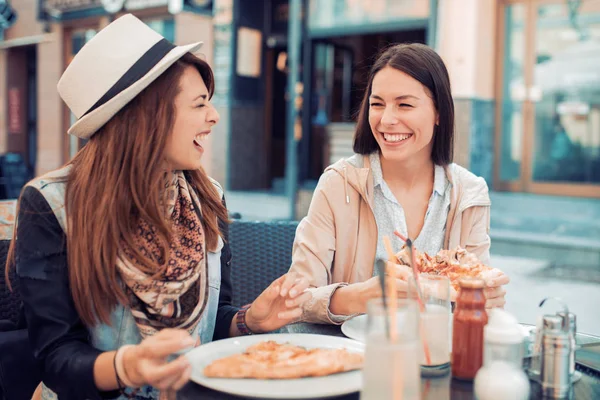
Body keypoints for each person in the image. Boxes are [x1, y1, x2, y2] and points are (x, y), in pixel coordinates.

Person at [6, 14, 310, 399]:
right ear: (146, 115)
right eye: (199, 105)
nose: (213, 117)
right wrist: (128, 366)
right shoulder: (50, 203)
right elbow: (56, 358)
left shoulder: (207, 196)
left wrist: (251, 321)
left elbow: (210, 327)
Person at [288, 43, 509, 324]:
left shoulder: (469, 193)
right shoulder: (338, 184)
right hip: (353, 353)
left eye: (404, 105)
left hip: (437, 355)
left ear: (439, 112)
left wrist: (484, 298)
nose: (387, 120)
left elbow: (479, 294)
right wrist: (361, 296)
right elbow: (298, 297)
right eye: (377, 104)